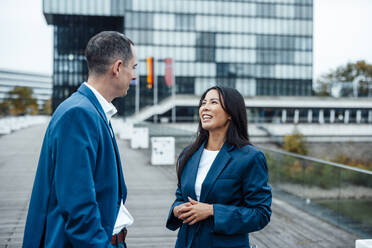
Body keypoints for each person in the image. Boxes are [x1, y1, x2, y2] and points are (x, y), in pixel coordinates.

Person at [23, 31, 137, 248]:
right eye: (134, 67)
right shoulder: (79, 114)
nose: (134, 76)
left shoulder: (90, 109)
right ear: (117, 67)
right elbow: (78, 204)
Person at [166, 86, 272, 248]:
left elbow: (260, 214)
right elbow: (181, 196)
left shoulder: (250, 157)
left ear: (230, 113)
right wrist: (177, 210)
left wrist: (212, 211)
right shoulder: (188, 154)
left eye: (213, 102)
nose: (205, 107)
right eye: (203, 103)